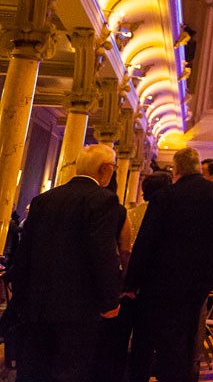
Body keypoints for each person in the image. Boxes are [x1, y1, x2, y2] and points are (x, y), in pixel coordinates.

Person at [8, 144, 125, 382]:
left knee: (33, 369)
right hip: (78, 307)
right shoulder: (103, 200)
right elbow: (101, 253)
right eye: (113, 167)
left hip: (37, 304)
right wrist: (110, 299)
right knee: (70, 370)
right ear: (105, 169)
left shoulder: (44, 199)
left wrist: (20, 292)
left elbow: (25, 250)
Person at [124, 147, 213, 382]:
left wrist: (132, 281)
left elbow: (147, 241)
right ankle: (186, 374)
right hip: (201, 280)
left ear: (176, 169)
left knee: (166, 337)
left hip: (163, 280)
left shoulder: (166, 196)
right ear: (197, 167)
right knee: (189, 332)